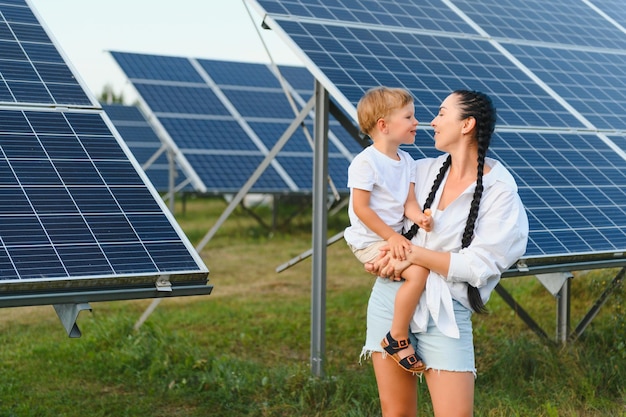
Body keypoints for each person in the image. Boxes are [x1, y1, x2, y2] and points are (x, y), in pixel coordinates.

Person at [362, 89, 529, 417]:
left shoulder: (500, 191)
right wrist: (383, 257)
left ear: (467, 124)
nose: (431, 121)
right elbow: (380, 218)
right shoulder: (419, 171)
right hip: (391, 299)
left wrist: (412, 257)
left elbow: (478, 266)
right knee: (396, 413)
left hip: (446, 312)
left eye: (441, 114)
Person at [344, 86, 433, 374]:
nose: (416, 122)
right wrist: (391, 236)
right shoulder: (365, 162)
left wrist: (420, 218)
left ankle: (398, 331)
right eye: (409, 117)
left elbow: (408, 203)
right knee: (418, 271)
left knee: (415, 267)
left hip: (390, 240)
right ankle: (397, 337)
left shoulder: (406, 161)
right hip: (369, 240)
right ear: (383, 126)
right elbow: (361, 209)